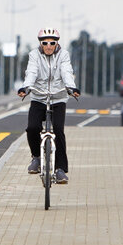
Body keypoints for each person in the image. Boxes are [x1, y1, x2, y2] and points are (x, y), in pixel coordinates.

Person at [17, 28, 80, 184]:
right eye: (45, 43)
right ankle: (36, 158)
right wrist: (26, 88)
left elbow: (66, 72)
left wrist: (71, 88)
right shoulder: (34, 55)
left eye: (52, 43)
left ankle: (60, 170)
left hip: (58, 97)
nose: (49, 46)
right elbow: (31, 72)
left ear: (57, 43)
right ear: (41, 44)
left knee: (58, 130)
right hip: (39, 96)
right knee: (32, 127)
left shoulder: (63, 55)